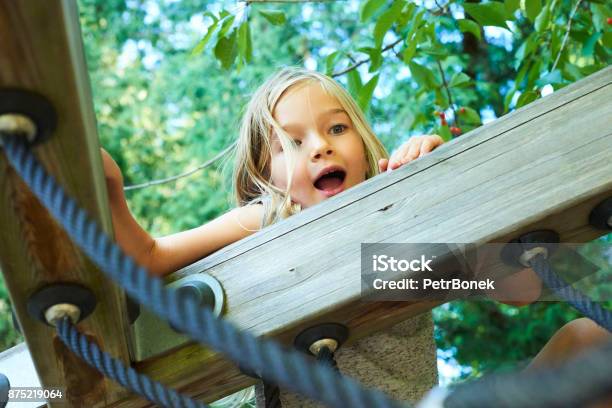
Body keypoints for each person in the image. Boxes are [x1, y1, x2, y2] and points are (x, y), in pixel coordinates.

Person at [101, 67, 610, 407]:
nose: (321, 147)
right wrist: (108, 189)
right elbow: (148, 256)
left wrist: (439, 197)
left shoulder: (397, 234)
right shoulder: (270, 222)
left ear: (364, 146)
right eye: (293, 142)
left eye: (337, 129)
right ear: (266, 174)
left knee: (588, 340)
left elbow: (521, 291)